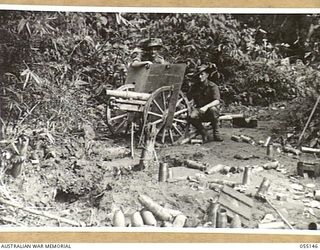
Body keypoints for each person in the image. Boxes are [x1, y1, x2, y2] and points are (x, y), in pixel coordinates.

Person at [187, 64, 223, 142]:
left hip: (210, 110)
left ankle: (216, 132)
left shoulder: (213, 86)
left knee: (213, 110)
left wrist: (206, 107)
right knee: (192, 116)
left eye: (202, 74)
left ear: (207, 75)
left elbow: (217, 100)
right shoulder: (195, 87)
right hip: (199, 110)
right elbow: (189, 99)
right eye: (199, 75)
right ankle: (203, 132)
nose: (200, 77)